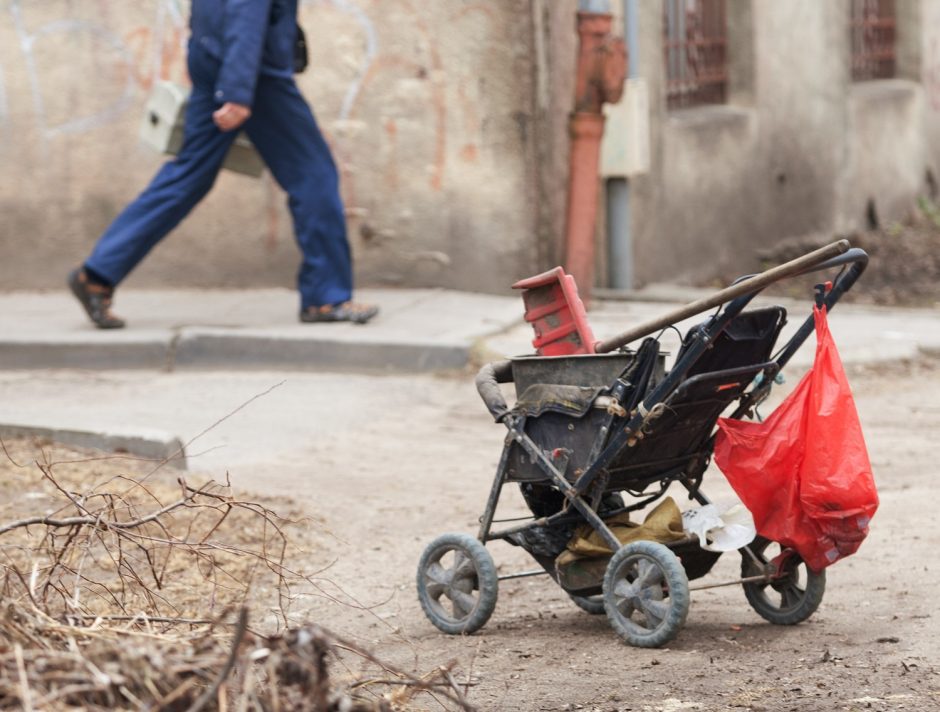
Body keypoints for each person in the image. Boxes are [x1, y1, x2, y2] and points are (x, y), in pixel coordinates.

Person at [68, 0, 377, 329]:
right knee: (314, 175)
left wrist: (217, 68)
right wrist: (237, 91)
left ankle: (98, 274)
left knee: (188, 176)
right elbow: (247, 12)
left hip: (216, 61)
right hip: (255, 76)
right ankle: (326, 296)